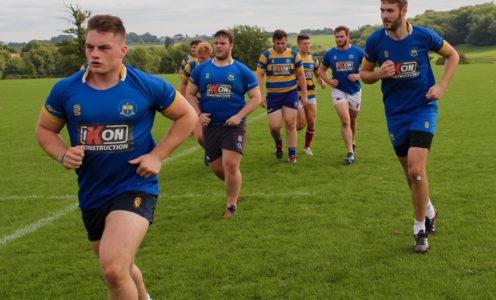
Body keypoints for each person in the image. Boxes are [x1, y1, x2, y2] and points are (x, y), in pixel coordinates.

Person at [35, 15, 198, 298]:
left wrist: (157, 155)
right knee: (119, 266)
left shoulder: (146, 85)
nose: (94, 54)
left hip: (135, 184)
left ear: (122, 50)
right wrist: (63, 154)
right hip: (92, 191)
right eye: (89, 47)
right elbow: (45, 130)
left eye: (104, 48)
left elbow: (187, 115)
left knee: (112, 269)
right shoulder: (66, 89)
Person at [360, 0, 459, 253]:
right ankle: (429, 210)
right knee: (410, 173)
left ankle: (419, 228)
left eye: (389, 11)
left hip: (423, 108)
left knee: (416, 169)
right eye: (382, 10)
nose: (384, 16)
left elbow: (452, 55)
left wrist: (442, 87)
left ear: (403, 12)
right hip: (395, 114)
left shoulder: (424, 36)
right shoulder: (375, 41)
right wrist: (379, 74)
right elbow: (364, 74)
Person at [185, 29, 261, 217]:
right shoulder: (201, 69)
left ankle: (231, 206)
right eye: (216, 43)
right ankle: (234, 188)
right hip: (210, 126)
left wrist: (239, 116)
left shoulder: (241, 70)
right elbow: (189, 94)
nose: (218, 46)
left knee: (230, 165)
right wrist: (199, 114)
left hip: (233, 127)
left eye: (222, 43)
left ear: (231, 46)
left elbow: (256, 98)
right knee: (216, 167)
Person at [257, 29, 308, 163]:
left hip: (290, 94)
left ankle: (292, 154)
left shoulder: (293, 54)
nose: (281, 46)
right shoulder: (266, 55)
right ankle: (278, 142)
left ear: (286, 42)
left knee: (291, 123)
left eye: (283, 43)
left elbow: (301, 75)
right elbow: (259, 75)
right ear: (273, 42)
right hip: (273, 96)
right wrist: (260, 96)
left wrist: (304, 94)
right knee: (274, 127)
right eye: (278, 43)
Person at [319, 26, 364, 164]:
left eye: (341, 36)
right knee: (345, 121)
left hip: (355, 91)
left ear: (347, 37)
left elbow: (370, 67)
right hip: (339, 91)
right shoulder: (330, 54)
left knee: (353, 119)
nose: (339, 39)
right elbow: (321, 70)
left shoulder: (357, 51)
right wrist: (329, 81)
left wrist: (358, 75)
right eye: (337, 37)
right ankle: (350, 152)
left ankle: (353, 141)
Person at [296, 34, 326, 156]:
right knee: (301, 124)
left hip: (311, 94)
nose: (307, 46)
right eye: (304, 44)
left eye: (308, 43)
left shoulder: (313, 60)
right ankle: (290, 133)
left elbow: (317, 74)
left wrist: (322, 81)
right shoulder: (294, 59)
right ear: (298, 45)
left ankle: (307, 147)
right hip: (296, 95)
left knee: (312, 122)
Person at [180, 42, 214, 148]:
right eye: (199, 57)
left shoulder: (217, 66)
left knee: (215, 135)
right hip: (196, 103)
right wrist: (184, 101)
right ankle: (210, 153)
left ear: (210, 56)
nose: (200, 60)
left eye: (203, 58)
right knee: (200, 137)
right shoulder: (191, 66)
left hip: (214, 103)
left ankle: (214, 155)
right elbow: (184, 83)